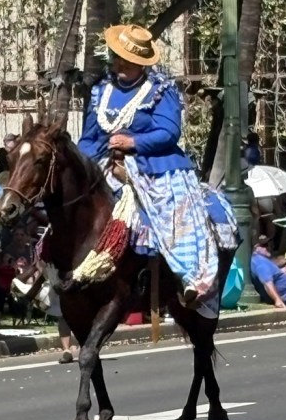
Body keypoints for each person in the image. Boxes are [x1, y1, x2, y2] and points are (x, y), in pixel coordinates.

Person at [77, 24, 230, 308]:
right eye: (117, 57)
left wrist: (132, 142)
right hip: (104, 161)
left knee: (175, 213)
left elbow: (169, 132)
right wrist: (80, 164)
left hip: (155, 165)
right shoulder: (101, 91)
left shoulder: (161, 90)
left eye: (127, 59)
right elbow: (88, 138)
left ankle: (189, 276)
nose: (120, 64)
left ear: (141, 63)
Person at [249, 240, 286, 308]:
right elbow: (267, 283)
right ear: (256, 248)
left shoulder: (263, 260)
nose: (269, 247)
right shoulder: (260, 262)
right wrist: (277, 300)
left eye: (270, 245)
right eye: (265, 245)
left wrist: (284, 270)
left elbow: (274, 275)